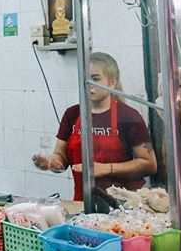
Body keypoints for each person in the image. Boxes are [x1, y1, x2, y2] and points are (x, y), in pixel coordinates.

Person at [31, 52, 157, 201]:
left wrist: (106, 169)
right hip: (83, 202)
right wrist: (52, 163)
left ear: (112, 82)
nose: (89, 85)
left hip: (124, 205)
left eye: (95, 79)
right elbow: (61, 158)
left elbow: (149, 164)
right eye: (85, 80)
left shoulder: (129, 117)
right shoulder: (72, 114)